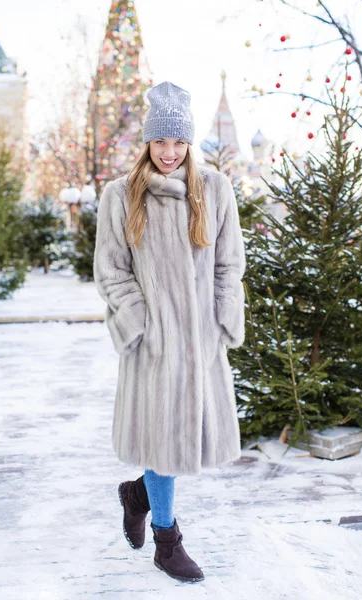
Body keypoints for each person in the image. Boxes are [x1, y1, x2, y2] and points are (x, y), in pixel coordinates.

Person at [93, 81, 246, 583]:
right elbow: (111, 270)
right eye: (161, 142)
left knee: (181, 442)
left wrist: (223, 321)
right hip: (154, 347)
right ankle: (166, 540)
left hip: (200, 344)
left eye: (179, 142)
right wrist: (141, 322)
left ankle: (137, 494)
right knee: (164, 442)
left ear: (190, 142)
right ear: (147, 142)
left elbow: (228, 266)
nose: (169, 152)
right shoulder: (121, 196)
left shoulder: (215, 190)